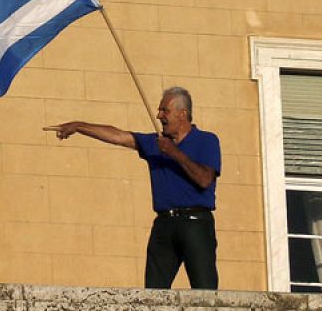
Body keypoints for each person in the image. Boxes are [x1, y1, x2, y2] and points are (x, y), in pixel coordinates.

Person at [46, 87, 221, 290]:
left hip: (195, 223)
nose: (159, 115)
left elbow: (204, 179)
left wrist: (174, 153)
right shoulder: (155, 143)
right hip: (164, 224)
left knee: (205, 292)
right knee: (154, 294)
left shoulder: (207, 140)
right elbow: (118, 136)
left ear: (183, 114)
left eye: (165, 110)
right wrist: (79, 126)